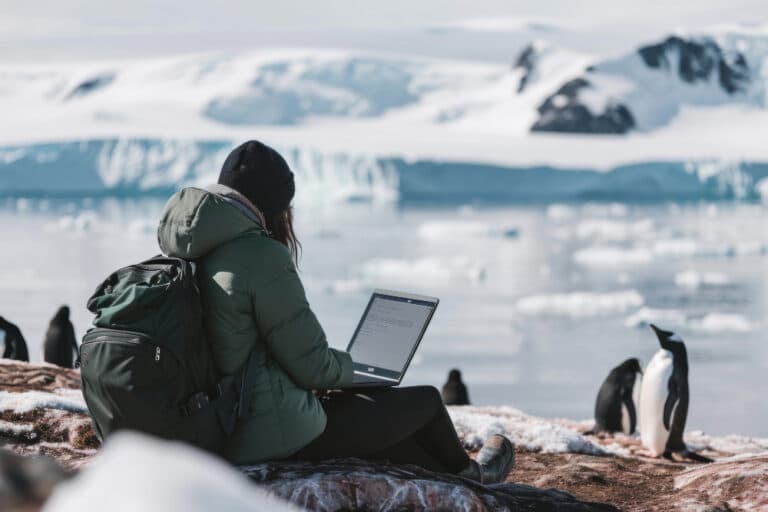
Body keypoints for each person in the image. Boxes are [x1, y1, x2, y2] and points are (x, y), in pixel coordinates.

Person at [157, 140, 514, 483]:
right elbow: (313, 367)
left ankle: (457, 475)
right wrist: (355, 370)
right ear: (275, 204)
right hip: (266, 435)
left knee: (386, 428)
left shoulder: (192, 246)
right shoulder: (260, 257)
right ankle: (475, 478)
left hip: (217, 422)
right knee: (425, 401)